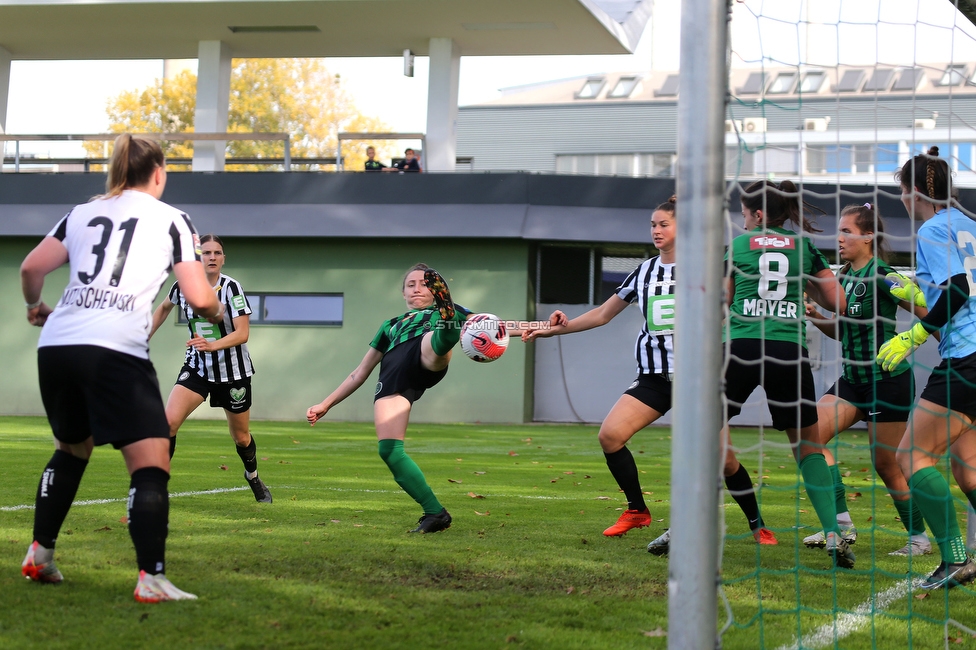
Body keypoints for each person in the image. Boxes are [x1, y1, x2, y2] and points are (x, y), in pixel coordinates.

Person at [19, 133, 223, 602]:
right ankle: (151, 578)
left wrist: (36, 307)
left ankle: (40, 554)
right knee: (150, 461)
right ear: (158, 173)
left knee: (72, 448)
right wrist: (212, 313)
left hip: (58, 344)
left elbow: (32, 269)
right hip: (114, 347)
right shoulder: (173, 219)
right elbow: (198, 296)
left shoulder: (81, 212)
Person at [524, 197, 773, 552]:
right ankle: (638, 511)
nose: (656, 231)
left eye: (663, 224)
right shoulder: (643, 271)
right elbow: (602, 314)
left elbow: (726, 313)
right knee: (610, 435)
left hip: (697, 382)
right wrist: (553, 330)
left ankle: (757, 525)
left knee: (724, 460)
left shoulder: (706, 270)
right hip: (654, 378)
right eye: (653, 225)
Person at [306, 265, 510, 532]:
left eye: (424, 284)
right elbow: (359, 373)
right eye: (411, 284)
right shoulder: (389, 326)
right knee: (389, 451)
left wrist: (546, 327)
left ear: (434, 291)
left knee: (439, 336)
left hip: (428, 350)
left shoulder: (449, 312)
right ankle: (435, 513)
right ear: (403, 292)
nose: (416, 288)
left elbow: (495, 327)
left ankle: (447, 326)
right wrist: (325, 404)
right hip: (395, 377)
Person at [723, 179, 853, 568]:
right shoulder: (805, 248)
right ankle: (834, 533)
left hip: (743, 345)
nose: (743, 221)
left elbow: (724, 298)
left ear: (758, 214)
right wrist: (803, 289)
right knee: (808, 447)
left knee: (705, 431)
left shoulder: (739, 246)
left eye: (745, 214)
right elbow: (839, 302)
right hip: (787, 350)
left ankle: (685, 528)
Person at [802, 203, 930, 556]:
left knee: (886, 464)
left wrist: (925, 342)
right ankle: (841, 524)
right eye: (838, 230)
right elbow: (841, 331)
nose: (839, 237)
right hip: (853, 380)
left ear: (869, 236)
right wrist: (815, 315)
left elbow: (929, 315)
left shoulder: (886, 275)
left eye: (847, 231)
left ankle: (919, 539)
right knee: (810, 436)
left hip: (887, 381)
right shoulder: (841, 277)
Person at [877, 146, 976, 589]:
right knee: (968, 466)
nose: (899, 198)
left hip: (967, 357)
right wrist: (918, 293)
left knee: (911, 456)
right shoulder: (969, 224)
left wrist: (914, 334)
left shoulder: (933, 229)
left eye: (900, 190)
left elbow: (957, 289)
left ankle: (956, 559)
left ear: (913, 192)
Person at [149, 234, 271, 503]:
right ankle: (156, 485)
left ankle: (252, 477)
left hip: (234, 373)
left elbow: (242, 334)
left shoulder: (232, 288)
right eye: (206, 253)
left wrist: (213, 346)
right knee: (167, 423)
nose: (212, 257)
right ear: (197, 257)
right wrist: (141, 339)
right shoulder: (182, 286)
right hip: (197, 368)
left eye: (217, 253)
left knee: (240, 437)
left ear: (223, 258)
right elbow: (162, 309)